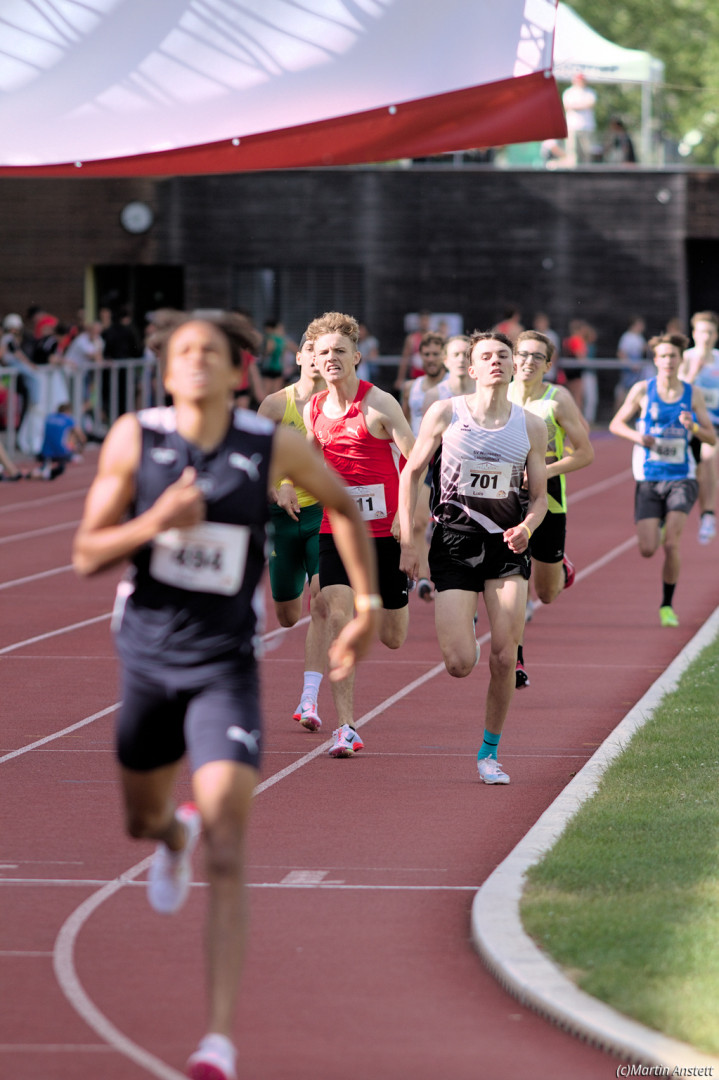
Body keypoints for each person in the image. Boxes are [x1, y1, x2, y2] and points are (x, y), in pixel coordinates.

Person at [72, 312, 379, 1080]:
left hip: (223, 666)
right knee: (146, 818)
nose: (199, 362)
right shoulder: (134, 438)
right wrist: (156, 520)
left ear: (241, 369)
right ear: (167, 370)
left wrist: (368, 606)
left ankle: (216, 1043)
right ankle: (169, 838)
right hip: (147, 659)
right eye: (184, 352)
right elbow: (85, 553)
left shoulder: (267, 443)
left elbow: (342, 503)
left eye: (213, 352)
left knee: (231, 842)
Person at [399, 331, 548, 785]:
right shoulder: (446, 413)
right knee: (461, 663)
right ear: (472, 367)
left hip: (506, 547)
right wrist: (409, 539)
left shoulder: (531, 425)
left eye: (505, 355)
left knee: (504, 658)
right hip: (454, 543)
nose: (497, 361)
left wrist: (527, 527)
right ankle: (465, 618)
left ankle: (490, 752)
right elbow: (411, 472)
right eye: (488, 356)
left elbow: (539, 497)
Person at [305, 310, 415, 757]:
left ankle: (398, 594)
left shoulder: (380, 404)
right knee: (337, 616)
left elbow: (416, 460)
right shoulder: (314, 408)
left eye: (339, 351)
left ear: (357, 356)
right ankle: (346, 726)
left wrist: (405, 515)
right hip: (337, 529)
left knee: (393, 636)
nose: (331, 359)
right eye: (323, 352)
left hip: (385, 533)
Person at [609, 333, 715, 627]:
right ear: (656, 360)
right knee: (647, 548)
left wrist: (692, 424)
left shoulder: (691, 394)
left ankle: (667, 605)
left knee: (672, 544)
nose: (669, 361)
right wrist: (638, 437)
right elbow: (615, 423)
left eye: (673, 356)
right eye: (663, 356)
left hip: (682, 476)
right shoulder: (643, 390)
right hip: (649, 476)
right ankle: (661, 519)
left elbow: (711, 436)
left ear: (681, 360)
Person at [508, 330, 594, 687]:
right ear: (513, 358)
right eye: (523, 354)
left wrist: (544, 471)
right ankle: (515, 661)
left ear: (548, 363)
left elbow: (585, 453)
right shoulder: (499, 394)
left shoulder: (556, 400)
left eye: (537, 357)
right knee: (511, 583)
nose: (529, 362)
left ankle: (560, 564)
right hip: (506, 498)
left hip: (549, 498)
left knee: (546, 593)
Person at [257, 333, 328, 731]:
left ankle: (309, 697)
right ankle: (296, 582)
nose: (320, 360)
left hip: (322, 514)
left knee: (322, 601)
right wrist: (275, 485)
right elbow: (253, 457)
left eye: (328, 353)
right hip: (280, 518)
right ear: (299, 356)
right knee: (286, 616)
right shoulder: (274, 404)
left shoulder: (340, 405)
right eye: (313, 353)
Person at [400, 331, 447, 599]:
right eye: (426, 354)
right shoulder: (411, 387)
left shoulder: (453, 385)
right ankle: (425, 577)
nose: (430, 359)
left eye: (435, 354)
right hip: (419, 457)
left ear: (444, 356)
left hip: (446, 457)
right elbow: (404, 421)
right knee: (418, 521)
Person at [680, 311, 719, 544]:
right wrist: (693, 372)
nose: (706, 337)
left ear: (715, 335)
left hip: (712, 425)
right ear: (694, 334)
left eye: (710, 332)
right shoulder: (683, 358)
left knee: (708, 459)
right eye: (702, 331)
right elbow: (676, 392)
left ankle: (708, 515)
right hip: (685, 425)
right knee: (691, 473)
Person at [31, 401, 86, 478]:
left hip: (44, 453)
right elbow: (82, 437)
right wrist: (80, 449)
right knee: (72, 435)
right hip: (61, 453)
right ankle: (73, 457)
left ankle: (43, 470)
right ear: (68, 411)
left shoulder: (49, 417)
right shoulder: (68, 419)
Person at [562, 73, 597, 165]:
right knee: (572, 152)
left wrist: (576, 106)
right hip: (572, 126)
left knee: (587, 152)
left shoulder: (590, 92)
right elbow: (567, 106)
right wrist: (582, 105)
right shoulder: (569, 92)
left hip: (587, 127)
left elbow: (590, 104)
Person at [394, 310, 432, 390]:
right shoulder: (412, 338)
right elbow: (405, 359)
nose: (424, 323)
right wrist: (400, 378)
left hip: (431, 376)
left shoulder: (433, 338)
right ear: (418, 322)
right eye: (422, 320)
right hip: (415, 377)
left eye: (426, 320)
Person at [615, 316, 647, 409]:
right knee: (623, 393)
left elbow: (643, 349)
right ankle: (616, 415)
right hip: (629, 372)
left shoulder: (639, 337)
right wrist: (631, 365)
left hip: (638, 372)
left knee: (640, 394)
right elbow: (621, 353)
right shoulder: (627, 337)